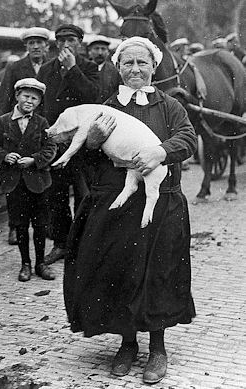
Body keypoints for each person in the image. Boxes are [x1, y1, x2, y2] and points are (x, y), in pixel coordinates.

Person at [63, 36, 197, 384]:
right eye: (128, 63)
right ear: (118, 68)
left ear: (154, 67)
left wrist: (161, 152)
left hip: (162, 204)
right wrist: (92, 143)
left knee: (158, 274)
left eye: (142, 63)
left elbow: (188, 139)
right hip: (120, 206)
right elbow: (90, 162)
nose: (135, 69)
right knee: (121, 271)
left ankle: (157, 347)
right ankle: (127, 343)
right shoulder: (108, 106)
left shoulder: (170, 107)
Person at [37, 24, 99, 265]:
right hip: (56, 143)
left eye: (70, 40)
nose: (65, 44)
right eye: (61, 40)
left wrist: (72, 69)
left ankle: (83, 244)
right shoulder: (46, 69)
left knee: (84, 194)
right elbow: (42, 105)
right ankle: (61, 243)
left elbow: (93, 96)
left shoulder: (88, 67)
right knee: (56, 196)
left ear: (80, 43)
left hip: (82, 144)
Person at [0, 78, 57, 282]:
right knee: (20, 225)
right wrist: (5, 155)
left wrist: (35, 159)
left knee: (40, 225)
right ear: (17, 96)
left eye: (34, 98)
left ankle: (40, 263)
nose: (29, 101)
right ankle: (26, 264)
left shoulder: (42, 123)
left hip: (38, 182)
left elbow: (51, 148)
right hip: (14, 183)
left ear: (39, 102)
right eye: (26, 96)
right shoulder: (3, 121)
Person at [0, 27, 50, 245]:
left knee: (41, 181)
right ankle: (13, 226)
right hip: (16, 131)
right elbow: (4, 98)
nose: (35, 46)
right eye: (31, 43)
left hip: (41, 130)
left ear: (46, 45)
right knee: (15, 183)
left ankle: (43, 227)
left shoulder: (52, 66)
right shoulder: (15, 67)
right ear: (26, 46)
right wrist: (3, 126)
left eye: (39, 42)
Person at [87, 35, 120, 103]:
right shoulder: (82, 69)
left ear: (108, 52)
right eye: (96, 48)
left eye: (103, 49)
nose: (100, 53)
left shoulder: (115, 71)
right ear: (89, 52)